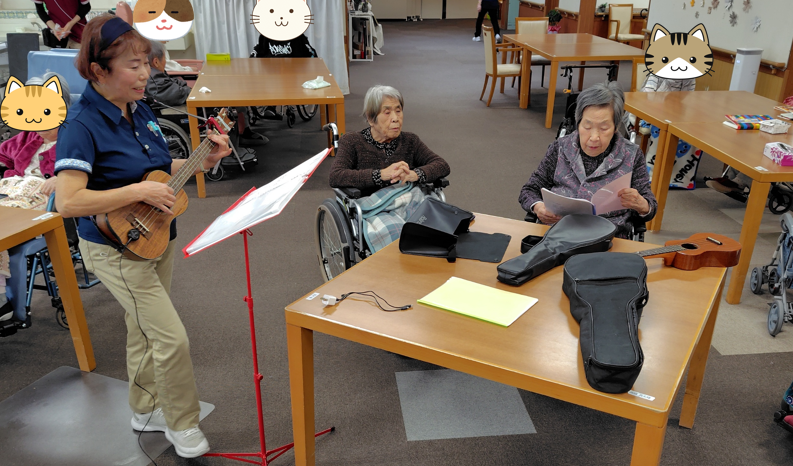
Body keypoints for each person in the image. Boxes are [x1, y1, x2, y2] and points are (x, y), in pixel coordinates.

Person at [53, 15, 232, 458]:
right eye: (133, 66)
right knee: (170, 337)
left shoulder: (139, 108)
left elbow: (161, 168)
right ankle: (182, 423)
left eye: (146, 64)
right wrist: (136, 191)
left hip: (153, 234)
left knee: (143, 329)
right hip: (114, 248)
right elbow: (68, 202)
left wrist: (205, 160)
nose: (145, 74)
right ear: (99, 70)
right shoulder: (80, 124)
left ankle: (144, 406)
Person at [519, 81, 657, 239]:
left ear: (615, 127)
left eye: (604, 128)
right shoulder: (560, 148)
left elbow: (650, 207)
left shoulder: (631, 155)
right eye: (587, 126)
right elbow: (529, 190)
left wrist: (642, 205)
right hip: (558, 237)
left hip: (609, 239)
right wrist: (538, 207)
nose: (594, 137)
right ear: (578, 123)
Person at [0, 73, 70, 322]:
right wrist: (9, 174)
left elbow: (92, 165)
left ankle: (4, 302)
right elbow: (4, 155)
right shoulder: (28, 135)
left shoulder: (73, 136)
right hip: (13, 190)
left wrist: (63, 178)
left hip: (43, 200)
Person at [329, 85, 450, 196]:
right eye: (387, 112)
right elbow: (336, 176)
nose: (395, 118)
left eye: (398, 111)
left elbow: (441, 165)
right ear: (370, 118)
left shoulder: (410, 141)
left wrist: (415, 174)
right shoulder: (352, 141)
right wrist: (380, 175)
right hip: (370, 206)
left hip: (408, 203)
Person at [145, 40, 190, 107]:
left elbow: (175, 82)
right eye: (165, 58)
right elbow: (182, 94)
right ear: (156, 62)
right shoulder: (155, 81)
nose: (165, 62)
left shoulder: (154, 74)